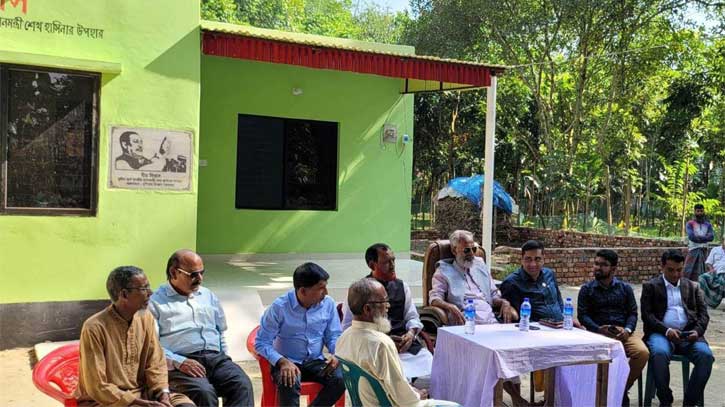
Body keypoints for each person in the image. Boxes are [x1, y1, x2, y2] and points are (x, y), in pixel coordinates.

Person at [75, 266, 194, 407]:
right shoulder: (94, 327)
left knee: (185, 405)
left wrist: (163, 395)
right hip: (105, 401)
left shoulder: (146, 318)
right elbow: (97, 386)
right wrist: (142, 404)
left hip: (142, 393)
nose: (150, 293)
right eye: (144, 289)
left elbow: (156, 363)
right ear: (124, 295)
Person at [428, 230, 524, 406]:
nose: (471, 253)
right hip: (466, 326)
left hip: (490, 322)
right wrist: (449, 306)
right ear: (454, 250)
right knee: (495, 356)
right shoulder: (443, 271)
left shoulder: (479, 264)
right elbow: (434, 298)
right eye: (466, 250)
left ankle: (514, 400)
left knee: (508, 354)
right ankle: (512, 401)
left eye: (474, 249)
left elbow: (493, 293)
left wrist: (504, 303)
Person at [149, 250, 254, 407]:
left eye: (202, 273)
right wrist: (180, 362)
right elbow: (152, 346)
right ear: (174, 272)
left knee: (242, 384)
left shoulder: (208, 295)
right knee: (204, 393)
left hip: (216, 359)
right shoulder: (155, 302)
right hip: (180, 363)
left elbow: (220, 332)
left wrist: (224, 358)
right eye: (193, 274)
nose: (200, 279)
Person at [336, 278, 460, 407]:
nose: (388, 307)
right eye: (384, 302)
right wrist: (418, 395)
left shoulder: (344, 337)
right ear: (367, 309)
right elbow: (406, 401)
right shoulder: (381, 344)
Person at [255, 262, 346, 407]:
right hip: (286, 362)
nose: (326, 293)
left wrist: (337, 355)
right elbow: (261, 342)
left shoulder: (328, 304)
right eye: (321, 288)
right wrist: (282, 361)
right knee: (289, 379)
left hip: (315, 361)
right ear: (303, 291)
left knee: (340, 379)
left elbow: (333, 336)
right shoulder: (279, 307)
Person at [341, 243, 432, 379]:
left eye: (393, 260)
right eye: (386, 262)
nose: (392, 265)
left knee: (435, 371)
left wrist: (411, 334)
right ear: (372, 265)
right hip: (375, 350)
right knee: (399, 380)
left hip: (405, 348)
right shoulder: (359, 291)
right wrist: (382, 341)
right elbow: (349, 326)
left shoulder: (402, 287)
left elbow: (412, 317)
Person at [641, 250, 714, 407]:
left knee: (706, 356)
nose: (675, 274)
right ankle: (665, 399)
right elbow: (647, 316)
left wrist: (697, 331)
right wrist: (667, 330)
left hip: (689, 335)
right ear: (662, 267)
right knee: (659, 353)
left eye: (679, 270)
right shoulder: (650, 287)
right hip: (661, 334)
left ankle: (689, 402)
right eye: (671, 270)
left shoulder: (693, 286)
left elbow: (703, 315)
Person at [577, 249, 649, 407]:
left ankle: (619, 389)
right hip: (597, 334)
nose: (598, 267)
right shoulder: (587, 290)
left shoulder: (625, 288)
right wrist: (597, 329)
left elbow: (633, 313)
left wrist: (628, 330)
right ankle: (604, 393)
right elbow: (583, 316)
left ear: (614, 269)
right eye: (596, 263)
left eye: (603, 265)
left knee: (642, 353)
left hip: (622, 333)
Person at [684, 204, 714, 281]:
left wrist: (699, 238)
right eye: (698, 211)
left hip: (704, 251)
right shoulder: (690, 223)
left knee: (703, 273)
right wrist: (705, 238)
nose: (700, 213)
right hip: (693, 250)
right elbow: (692, 237)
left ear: (704, 211)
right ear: (694, 212)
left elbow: (711, 237)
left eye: (701, 211)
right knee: (687, 272)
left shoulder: (708, 224)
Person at [700, 237, 725, 308]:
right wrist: (711, 270)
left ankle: (713, 302)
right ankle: (705, 301)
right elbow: (709, 262)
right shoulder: (715, 250)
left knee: (722, 281)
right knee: (702, 278)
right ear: (722, 240)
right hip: (715, 273)